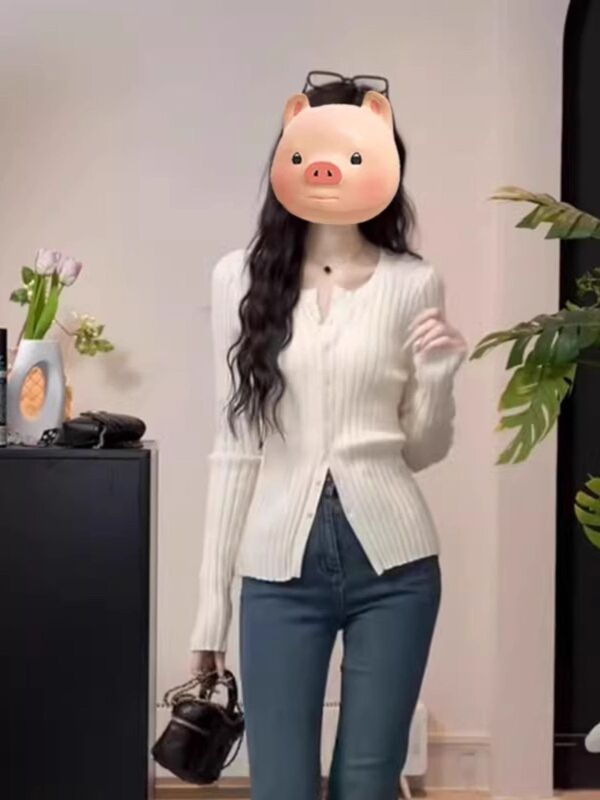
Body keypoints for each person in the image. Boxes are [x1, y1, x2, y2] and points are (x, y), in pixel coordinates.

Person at [188, 71, 468, 800]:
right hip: (278, 572)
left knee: (367, 783)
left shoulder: (414, 282)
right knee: (280, 785)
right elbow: (234, 448)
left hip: (396, 568)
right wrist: (211, 611)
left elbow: (420, 451)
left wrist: (439, 378)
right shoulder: (238, 279)